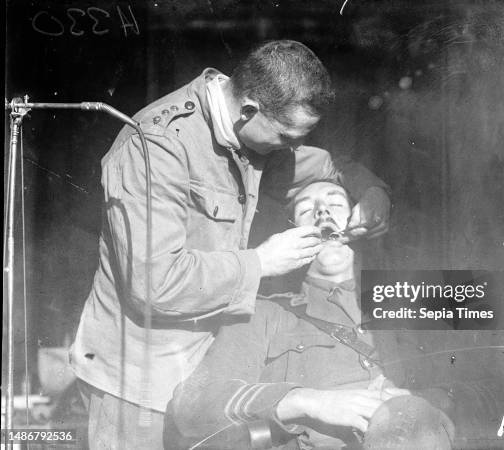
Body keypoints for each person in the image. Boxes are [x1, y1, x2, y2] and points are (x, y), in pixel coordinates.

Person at [70, 40, 391, 449]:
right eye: (286, 136)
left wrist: (374, 193)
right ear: (249, 111)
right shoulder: (155, 146)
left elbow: (334, 167)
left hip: (209, 375)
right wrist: (260, 263)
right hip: (139, 385)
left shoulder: (262, 134)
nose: (292, 148)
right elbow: (153, 282)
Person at [164, 180, 455, 450]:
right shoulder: (266, 310)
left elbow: (493, 385)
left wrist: (423, 402)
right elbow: (191, 408)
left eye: (337, 204)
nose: (322, 211)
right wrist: (307, 401)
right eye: (305, 209)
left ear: (361, 223)